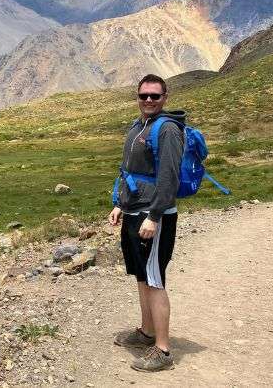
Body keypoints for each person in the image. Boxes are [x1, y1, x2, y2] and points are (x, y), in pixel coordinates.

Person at [108, 73, 185, 372]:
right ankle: (146, 331)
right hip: (133, 211)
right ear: (137, 97)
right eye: (144, 96)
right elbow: (128, 168)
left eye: (155, 96)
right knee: (141, 275)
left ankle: (163, 350)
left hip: (154, 216)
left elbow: (169, 178)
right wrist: (119, 203)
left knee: (154, 280)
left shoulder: (166, 130)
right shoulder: (139, 126)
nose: (149, 100)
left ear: (165, 97)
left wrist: (154, 215)